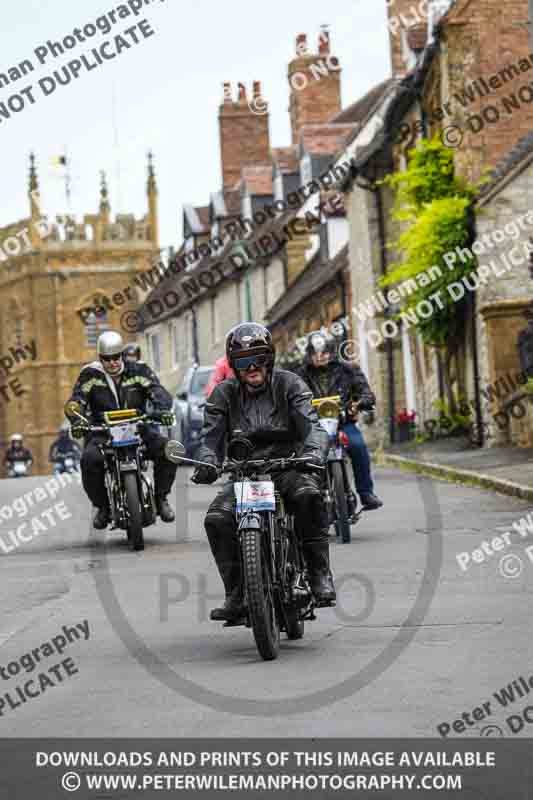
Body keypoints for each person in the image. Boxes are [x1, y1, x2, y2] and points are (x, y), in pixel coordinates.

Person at [191, 322, 336, 622]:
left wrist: (312, 452)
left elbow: (313, 427)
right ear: (234, 365)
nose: (253, 367)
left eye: (259, 358)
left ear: (269, 359)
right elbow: (209, 438)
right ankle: (237, 594)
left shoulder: (291, 384)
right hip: (245, 474)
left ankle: (320, 574)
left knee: (308, 497)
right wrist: (206, 461)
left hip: (289, 466)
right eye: (244, 361)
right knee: (217, 519)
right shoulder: (223, 394)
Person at [65, 331, 177, 530]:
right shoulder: (90, 374)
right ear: (100, 358)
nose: (112, 363)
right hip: (103, 432)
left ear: (122, 355)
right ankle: (102, 507)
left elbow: (157, 391)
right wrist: (77, 419)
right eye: (107, 359)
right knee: (89, 460)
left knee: (170, 449)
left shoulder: (139, 371)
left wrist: (163, 410)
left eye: (116, 357)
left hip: (139, 427)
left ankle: (161, 499)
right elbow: (77, 400)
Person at [297, 330, 383, 511]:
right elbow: (292, 398)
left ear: (331, 351)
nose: (321, 356)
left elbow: (366, 392)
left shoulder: (348, 370)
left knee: (358, 446)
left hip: (343, 423)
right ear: (309, 354)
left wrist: (360, 403)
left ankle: (366, 493)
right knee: (305, 459)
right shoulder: (300, 375)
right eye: (316, 353)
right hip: (314, 427)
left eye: (324, 352)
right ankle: (314, 502)